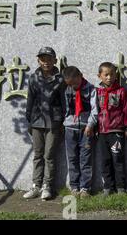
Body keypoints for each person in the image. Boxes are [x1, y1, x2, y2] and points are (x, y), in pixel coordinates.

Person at [24, 47, 65, 200]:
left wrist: (63, 121)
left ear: (55, 60)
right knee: (37, 154)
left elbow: (63, 101)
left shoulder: (60, 79)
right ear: (38, 60)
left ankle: (47, 186)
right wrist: (29, 119)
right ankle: (36, 185)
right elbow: (30, 99)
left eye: (49, 59)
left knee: (49, 155)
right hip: (36, 121)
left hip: (54, 121)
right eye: (43, 59)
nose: (46, 62)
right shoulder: (33, 78)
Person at [96, 62, 127, 196]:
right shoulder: (97, 92)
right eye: (106, 74)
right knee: (105, 160)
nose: (109, 77)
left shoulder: (121, 92)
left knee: (117, 160)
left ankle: (121, 187)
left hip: (116, 131)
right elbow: (95, 111)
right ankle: (108, 187)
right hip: (101, 131)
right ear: (99, 76)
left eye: (112, 74)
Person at [62, 66, 98, 198]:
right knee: (72, 158)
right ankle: (74, 186)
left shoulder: (91, 89)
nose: (73, 86)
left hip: (85, 129)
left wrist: (90, 125)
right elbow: (64, 107)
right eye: (70, 84)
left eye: (75, 83)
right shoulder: (66, 89)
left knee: (86, 159)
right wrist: (64, 122)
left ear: (81, 76)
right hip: (70, 128)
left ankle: (85, 188)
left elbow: (95, 109)